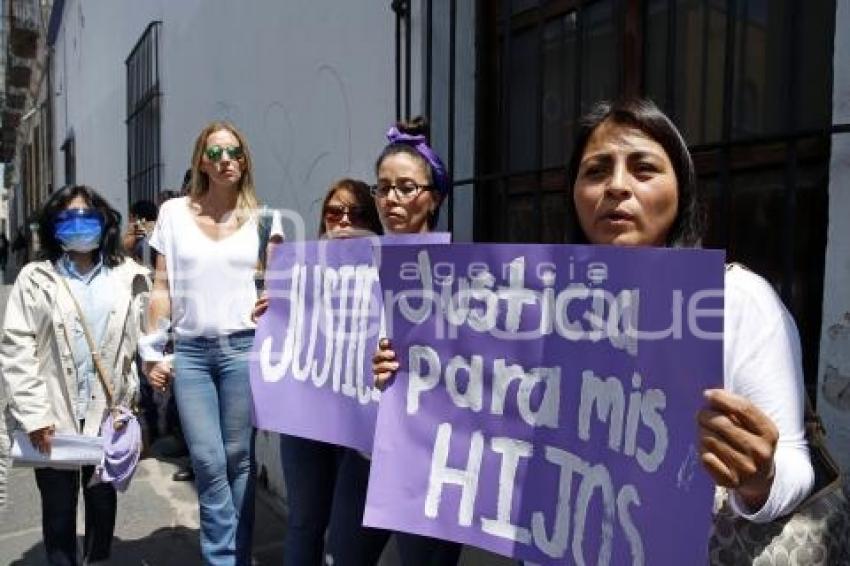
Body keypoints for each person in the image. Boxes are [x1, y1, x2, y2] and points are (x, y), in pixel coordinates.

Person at [376, 99, 814, 527]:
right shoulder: (530, 305)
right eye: (596, 171)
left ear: (681, 189)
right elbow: (479, 414)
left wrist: (760, 479)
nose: (617, 187)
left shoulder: (736, 301)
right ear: (573, 195)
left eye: (644, 169)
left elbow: (797, 466)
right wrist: (410, 381)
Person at [0, 185, 149, 565]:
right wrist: (34, 414)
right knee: (59, 512)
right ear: (53, 227)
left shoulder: (128, 276)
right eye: (67, 217)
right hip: (53, 417)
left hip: (106, 416)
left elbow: (143, 339)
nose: (78, 225)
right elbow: (18, 348)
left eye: (87, 216)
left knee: (102, 504)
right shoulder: (36, 278)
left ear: (104, 222)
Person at [141, 121, 268, 565]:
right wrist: (151, 351)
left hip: (244, 350)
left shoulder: (264, 221)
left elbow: (279, 293)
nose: (226, 160)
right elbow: (161, 286)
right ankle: (222, 558)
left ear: (244, 158)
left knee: (239, 459)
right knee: (209, 462)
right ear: (201, 161)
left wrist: (270, 304)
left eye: (234, 151)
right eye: (214, 153)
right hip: (192, 353)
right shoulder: (174, 214)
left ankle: (239, 554)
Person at [254, 179, 387, 565]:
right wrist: (267, 317)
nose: (344, 220)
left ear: (372, 220)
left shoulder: (391, 270)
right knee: (304, 523)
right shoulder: (298, 273)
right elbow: (282, 338)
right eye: (334, 212)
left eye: (357, 212)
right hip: (305, 416)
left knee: (344, 539)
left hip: (361, 422)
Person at [355, 117, 463, 565]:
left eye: (405, 187)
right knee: (345, 550)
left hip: (429, 453)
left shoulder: (464, 273)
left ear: (433, 197)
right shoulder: (352, 264)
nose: (391, 200)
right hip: (362, 446)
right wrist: (278, 312)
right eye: (383, 188)